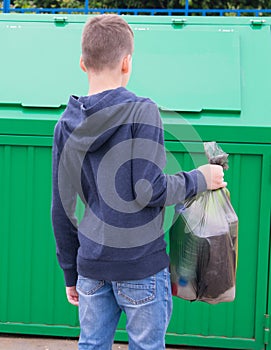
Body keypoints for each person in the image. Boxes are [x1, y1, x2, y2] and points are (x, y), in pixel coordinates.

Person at [51, 14, 226, 350]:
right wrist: (199, 178)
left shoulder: (65, 124)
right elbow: (150, 189)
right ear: (127, 62)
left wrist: (70, 272)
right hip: (140, 267)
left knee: (91, 345)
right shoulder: (142, 111)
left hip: (91, 266)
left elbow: (61, 208)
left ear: (82, 63)